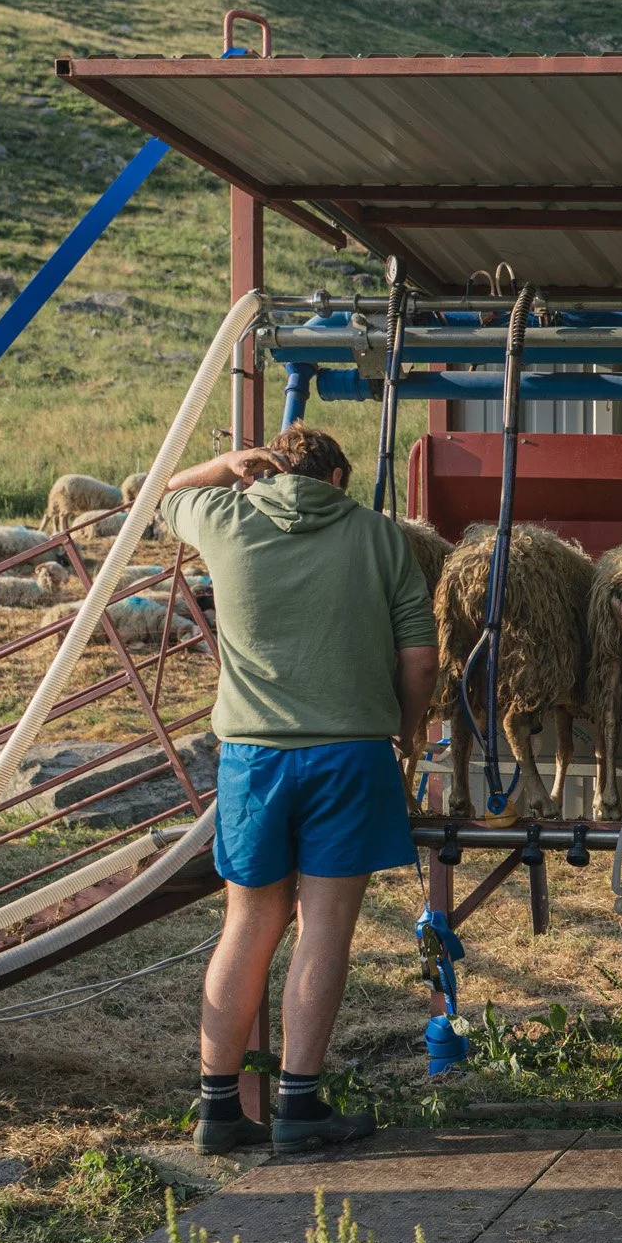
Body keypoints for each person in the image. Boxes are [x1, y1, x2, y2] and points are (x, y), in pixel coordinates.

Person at [161, 423, 438, 1157]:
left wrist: (223, 465)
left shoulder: (226, 516)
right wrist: (409, 735)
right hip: (349, 754)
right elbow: (421, 661)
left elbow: (165, 496)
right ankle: (298, 1103)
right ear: (339, 480)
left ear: (267, 472)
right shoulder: (381, 537)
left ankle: (219, 1108)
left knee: (249, 923)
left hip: (252, 755)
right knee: (323, 926)